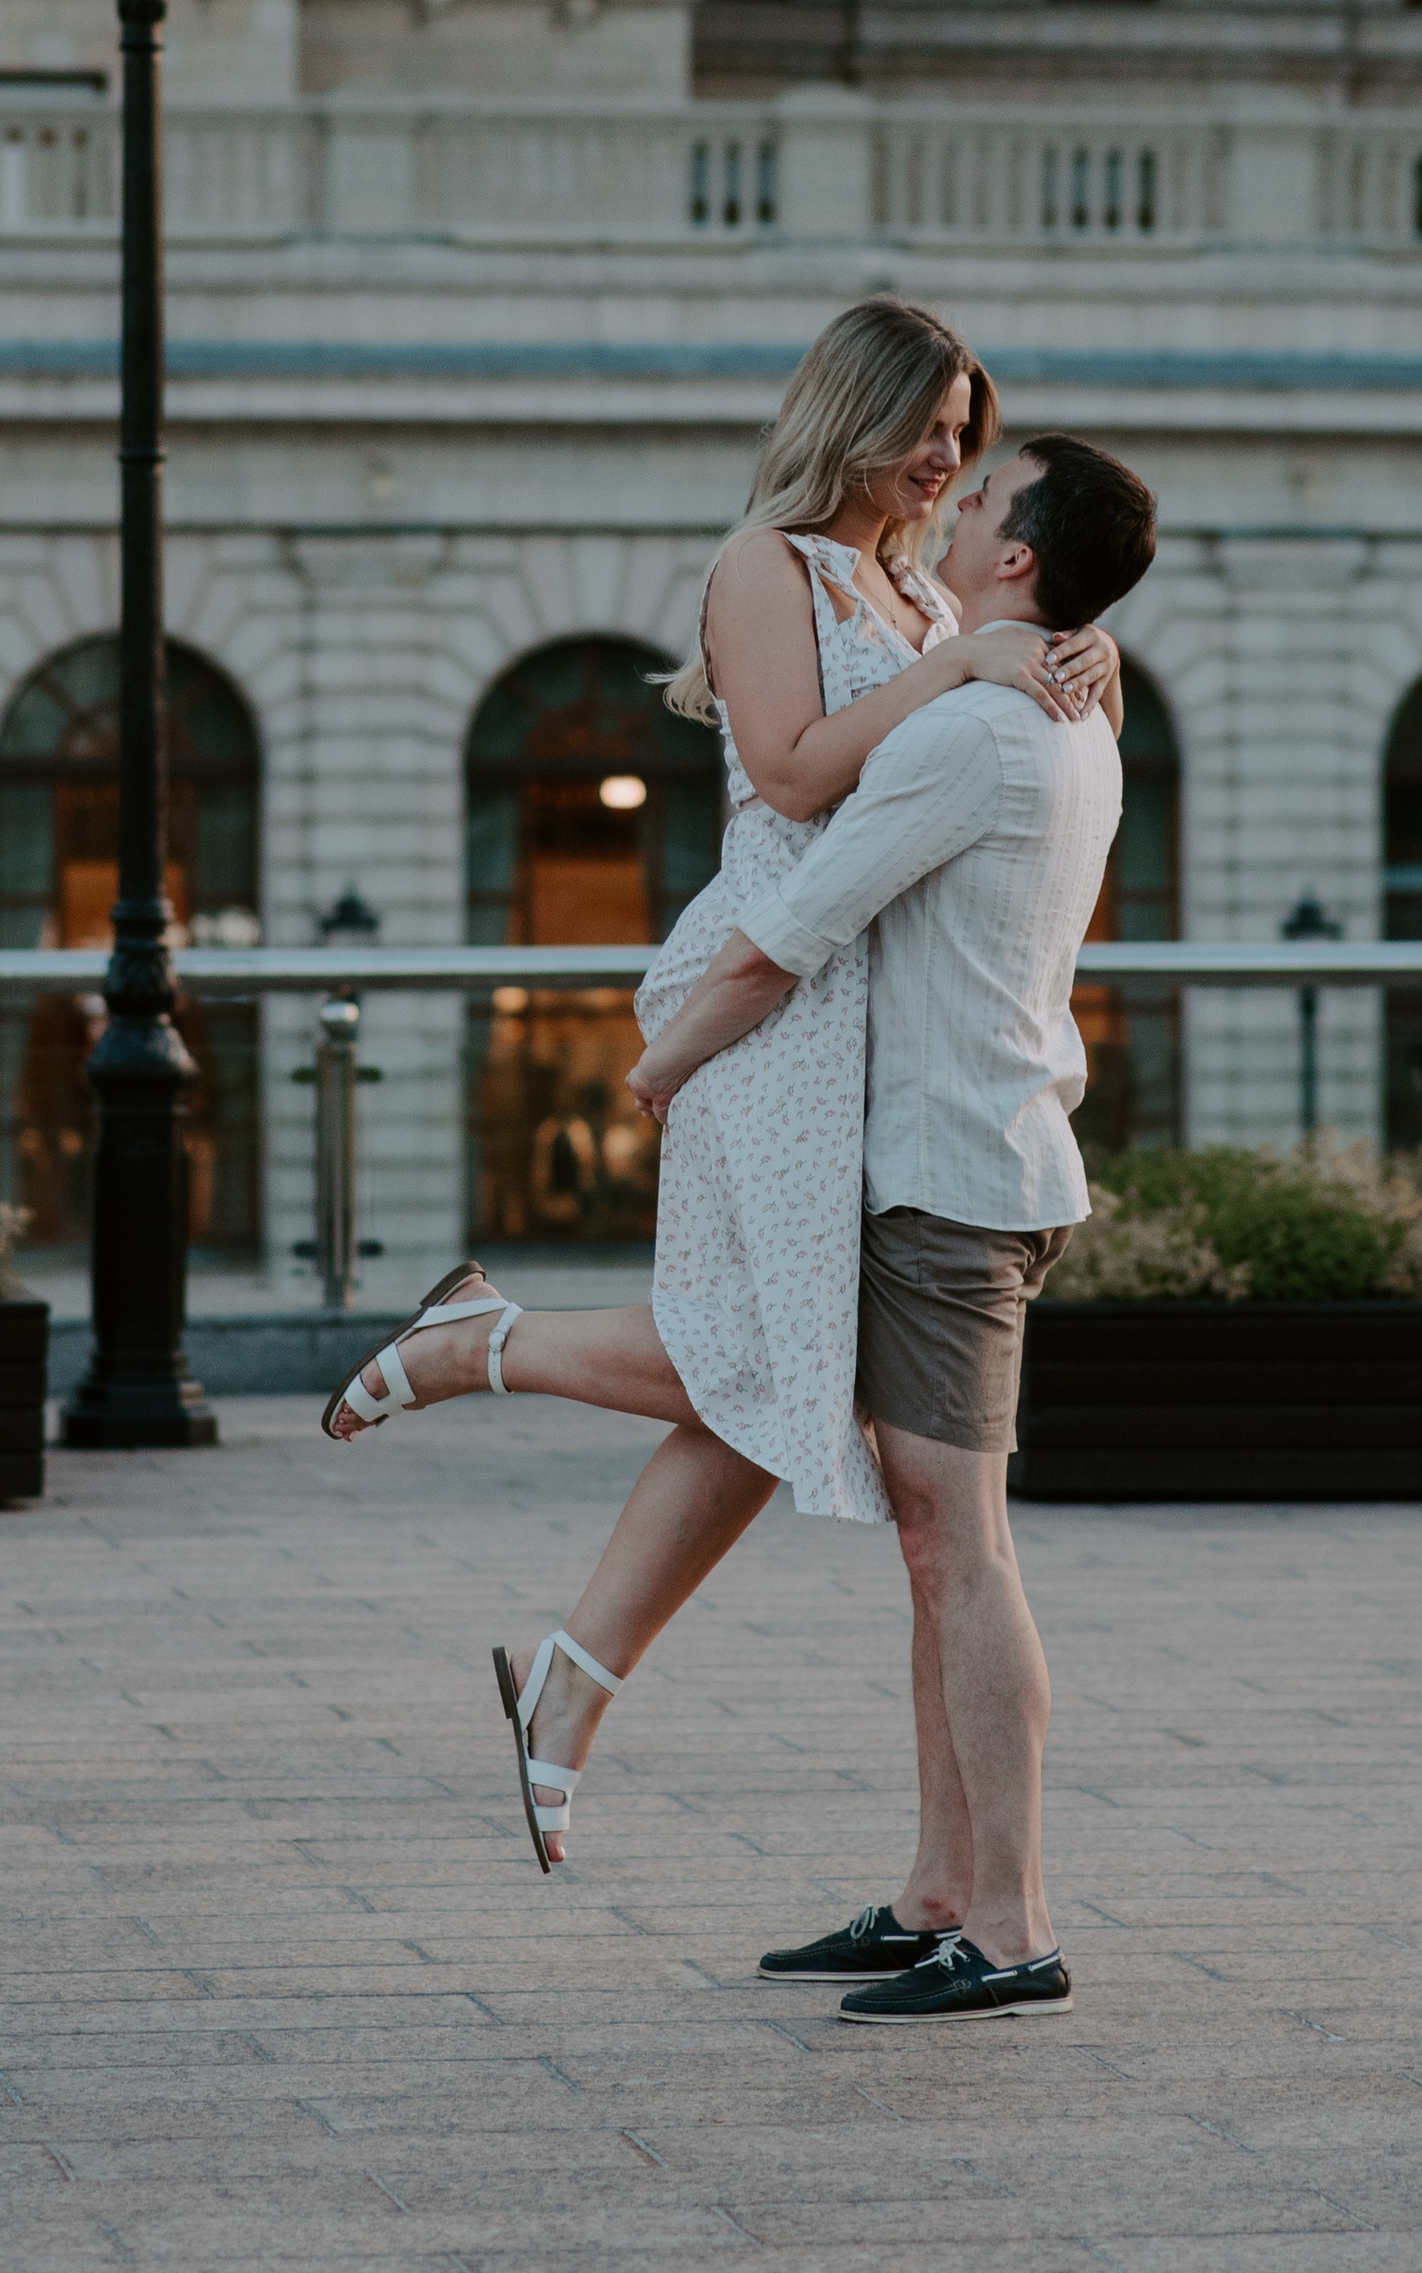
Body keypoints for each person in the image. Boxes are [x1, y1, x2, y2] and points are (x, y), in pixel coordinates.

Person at [316, 298, 1123, 1877]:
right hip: (772, 983)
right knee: (776, 1363)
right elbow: (801, 768)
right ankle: (485, 1356)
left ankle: (563, 1664)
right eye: (931, 423)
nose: (950, 454)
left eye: (968, 429)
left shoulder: (915, 586)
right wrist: (982, 661)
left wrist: (1065, 645)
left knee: (780, 1373)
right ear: (855, 413)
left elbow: (985, 715)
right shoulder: (767, 567)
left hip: (859, 1015)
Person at [628, 430, 1159, 2023]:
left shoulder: (980, 735)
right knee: (942, 1555)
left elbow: (788, 929)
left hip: (943, 1182)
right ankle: (942, 1888)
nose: (949, 502)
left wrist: (656, 1064)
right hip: (980, 1162)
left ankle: (1010, 1922)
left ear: (1017, 562)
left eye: (982, 498)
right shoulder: (1065, 714)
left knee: (962, 1550)